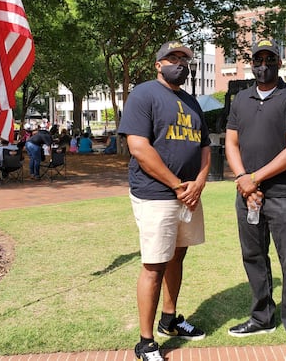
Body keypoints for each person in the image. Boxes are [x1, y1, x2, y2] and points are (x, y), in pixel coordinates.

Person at [118, 40, 211, 361]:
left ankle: (169, 320)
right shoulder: (143, 95)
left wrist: (198, 182)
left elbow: (205, 147)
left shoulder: (192, 101)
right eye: (173, 58)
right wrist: (176, 186)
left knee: (177, 257)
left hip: (189, 195)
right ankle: (145, 342)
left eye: (184, 59)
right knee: (154, 265)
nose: (180, 63)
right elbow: (139, 148)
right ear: (158, 64)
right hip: (156, 194)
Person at [224, 38, 286, 361]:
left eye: (269, 59)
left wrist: (254, 178)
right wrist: (242, 180)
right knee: (254, 257)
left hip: (283, 195)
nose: (263, 65)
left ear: (279, 62)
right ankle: (262, 317)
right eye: (258, 59)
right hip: (247, 194)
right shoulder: (241, 100)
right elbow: (231, 143)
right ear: (251, 63)